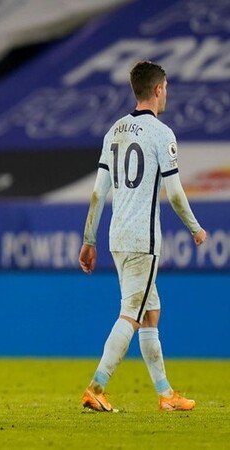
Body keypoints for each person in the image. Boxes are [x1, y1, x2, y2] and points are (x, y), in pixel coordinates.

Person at [78, 60, 207, 412]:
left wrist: (89, 239)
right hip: (143, 238)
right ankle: (96, 387)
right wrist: (195, 229)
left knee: (151, 313)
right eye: (166, 88)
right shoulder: (161, 134)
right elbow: (176, 194)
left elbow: (97, 192)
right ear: (158, 89)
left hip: (117, 235)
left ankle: (166, 395)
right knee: (132, 314)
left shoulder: (114, 131)